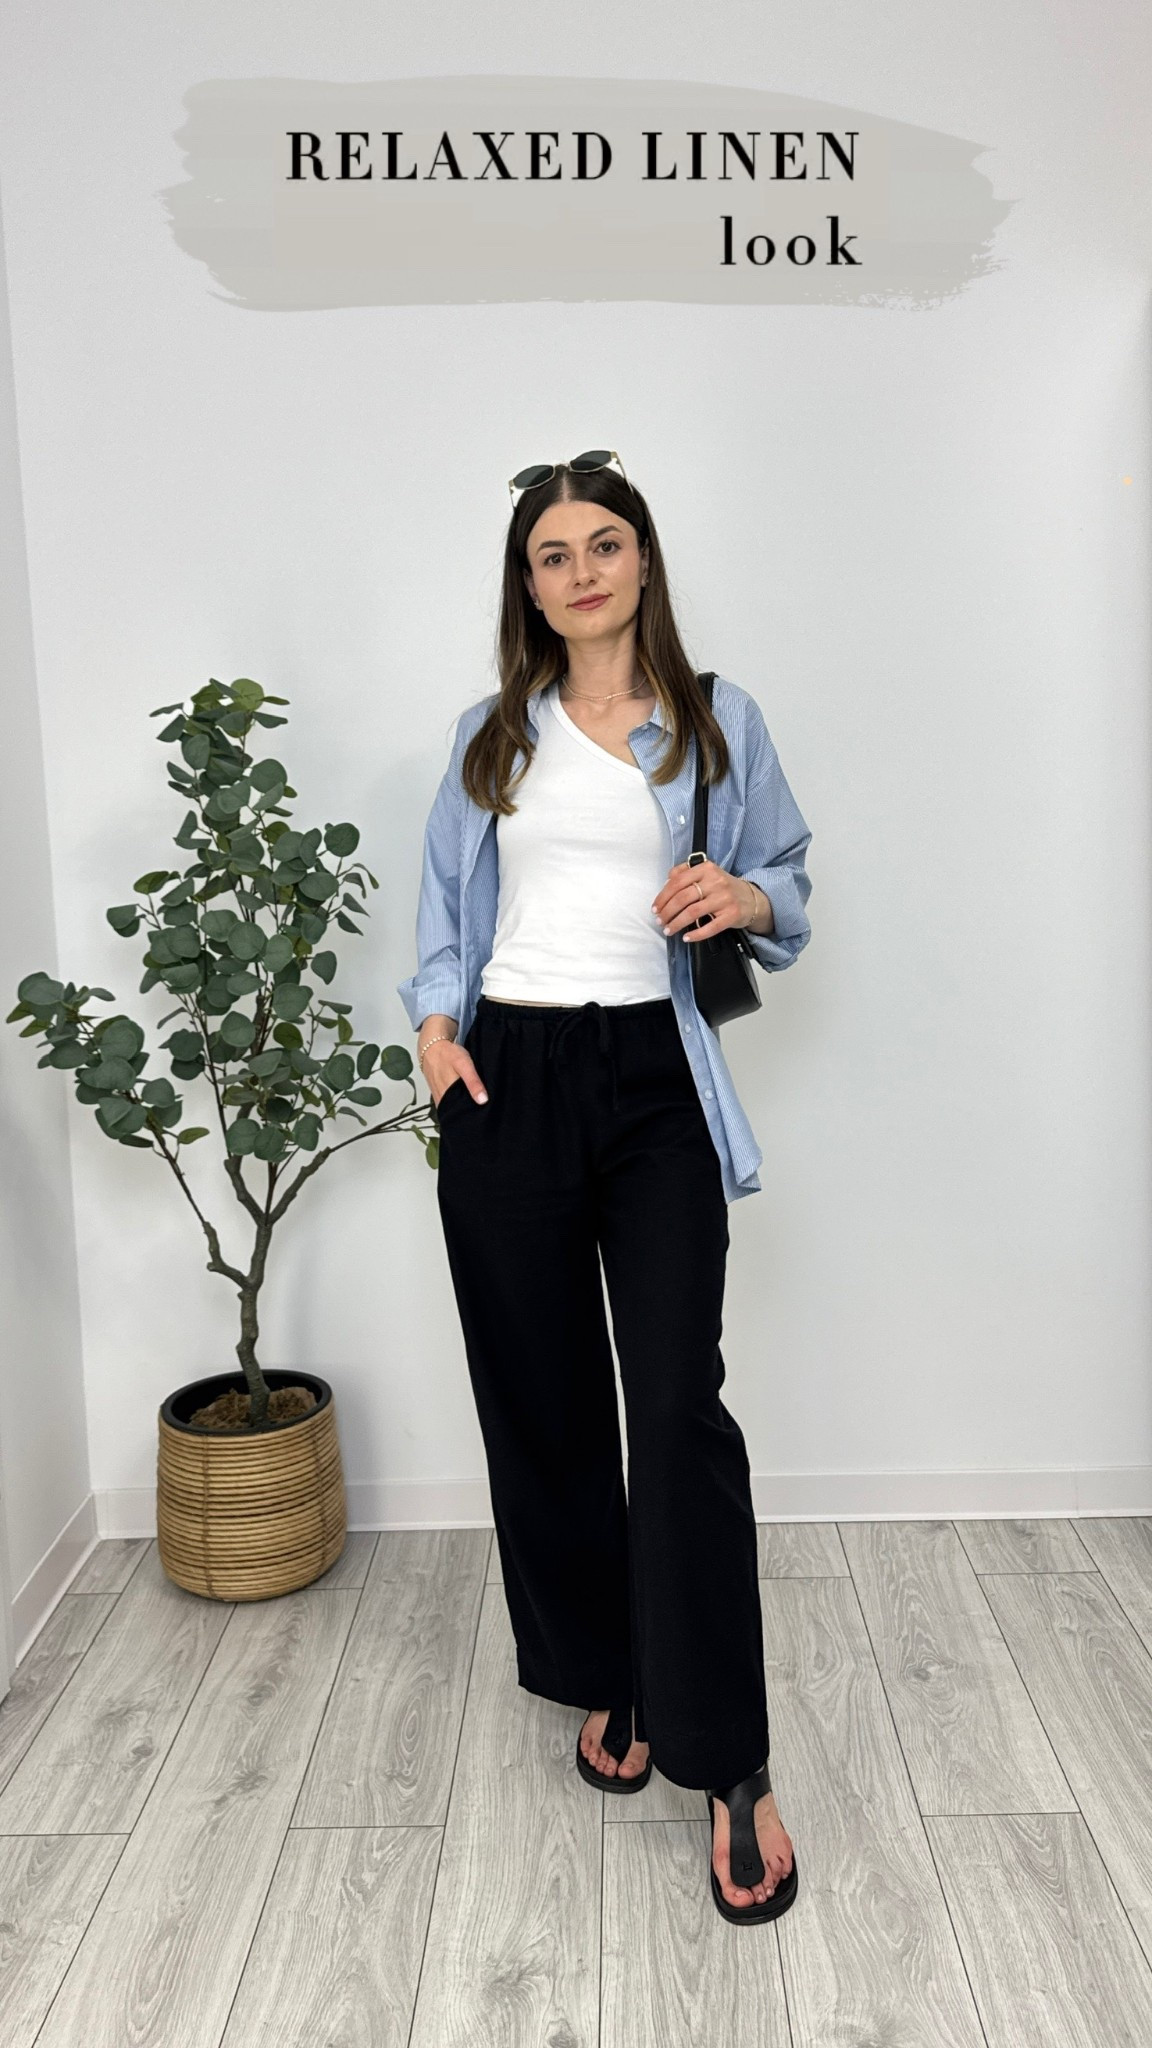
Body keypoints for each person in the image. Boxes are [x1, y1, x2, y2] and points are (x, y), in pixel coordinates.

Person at [396, 450, 812, 1924]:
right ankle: (612, 1677)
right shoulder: (491, 735)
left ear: (643, 563)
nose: (580, 570)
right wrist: (439, 1031)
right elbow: (447, 913)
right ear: (529, 584)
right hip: (509, 1078)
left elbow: (788, 886)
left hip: (654, 1086)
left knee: (678, 1403)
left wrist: (745, 897)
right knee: (545, 1396)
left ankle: (730, 1755)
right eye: (552, 553)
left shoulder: (715, 720)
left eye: (605, 543)